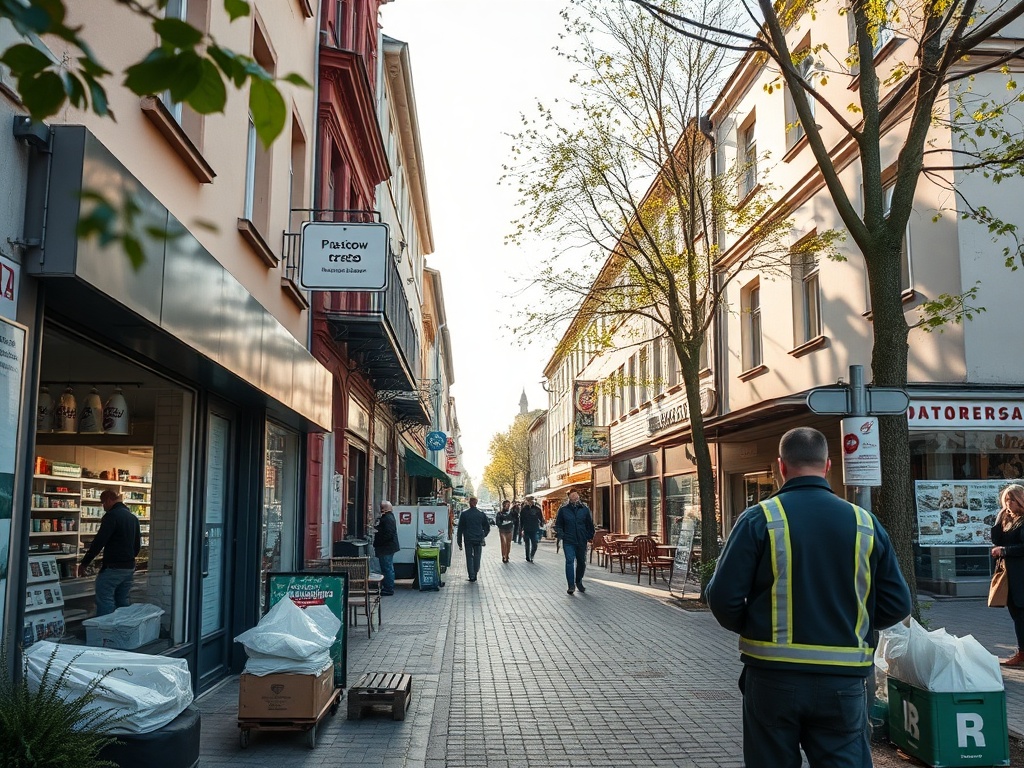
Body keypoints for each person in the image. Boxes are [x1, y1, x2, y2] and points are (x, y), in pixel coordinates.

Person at [707, 427, 912, 768]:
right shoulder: (865, 523)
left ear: (780, 467)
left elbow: (723, 598)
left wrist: (756, 626)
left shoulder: (759, 519)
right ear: (828, 465)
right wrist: (850, 623)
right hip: (844, 681)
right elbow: (897, 605)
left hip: (773, 677)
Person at [78, 490, 142, 616]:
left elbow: (99, 542)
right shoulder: (133, 518)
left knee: (105, 599)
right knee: (122, 601)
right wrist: (129, 558)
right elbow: (137, 545)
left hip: (113, 567)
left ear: (108, 500)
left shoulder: (111, 516)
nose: (103, 507)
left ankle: (105, 632)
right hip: (129, 567)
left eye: (103, 503)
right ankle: (123, 630)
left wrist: (84, 563)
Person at [991, 483, 1024, 666]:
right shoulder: (1009, 519)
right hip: (1011, 575)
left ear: (1020, 500)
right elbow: (997, 539)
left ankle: (1022, 654)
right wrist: (999, 517)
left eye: (1011, 499)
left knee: (1021, 613)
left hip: (1020, 574)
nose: (1008, 503)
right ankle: (1022, 652)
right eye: (1006, 500)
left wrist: (1005, 550)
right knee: (1016, 613)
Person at [555, 490, 595, 595]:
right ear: (569, 498)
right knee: (569, 561)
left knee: (581, 562)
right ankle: (571, 585)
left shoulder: (585, 509)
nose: (575, 497)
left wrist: (589, 536)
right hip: (568, 540)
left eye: (576, 495)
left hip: (581, 540)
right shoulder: (563, 510)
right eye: (572, 495)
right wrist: (562, 535)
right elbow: (558, 524)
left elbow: (589, 524)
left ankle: (579, 581)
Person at [457, 497, 491, 582]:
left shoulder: (464, 514)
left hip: (468, 538)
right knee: (477, 556)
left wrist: (459, 541)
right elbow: (487, 527)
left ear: (469, 503)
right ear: (476, 503)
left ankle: (471, 575)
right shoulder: (481, 514)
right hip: (478, 538)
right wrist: (483, 534)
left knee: (469, 557)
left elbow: (460, 528)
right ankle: (475, 572)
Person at [373, 500, 399, 596]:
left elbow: (388, 533)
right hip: (388, 547)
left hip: (386, 548)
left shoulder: (387, 518)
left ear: (383, 508)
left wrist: (379, 539)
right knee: (387, 567)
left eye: (381, 507)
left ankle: (388, 588)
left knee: (387, 568)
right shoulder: (388, 517)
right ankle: (387, 587)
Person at [520, 495, 544, 562]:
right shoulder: (524, 510)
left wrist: (541, 523)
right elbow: (521, 520)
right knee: (527, 544)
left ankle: (532, 555)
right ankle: (528, 557)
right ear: (527, 501)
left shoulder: (537, 509)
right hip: (526, 529)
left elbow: (541, 518)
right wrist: (521, 529)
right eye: (529, 501)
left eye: (532, 501)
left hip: (534, 529)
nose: (531, 502)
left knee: (535, 544)